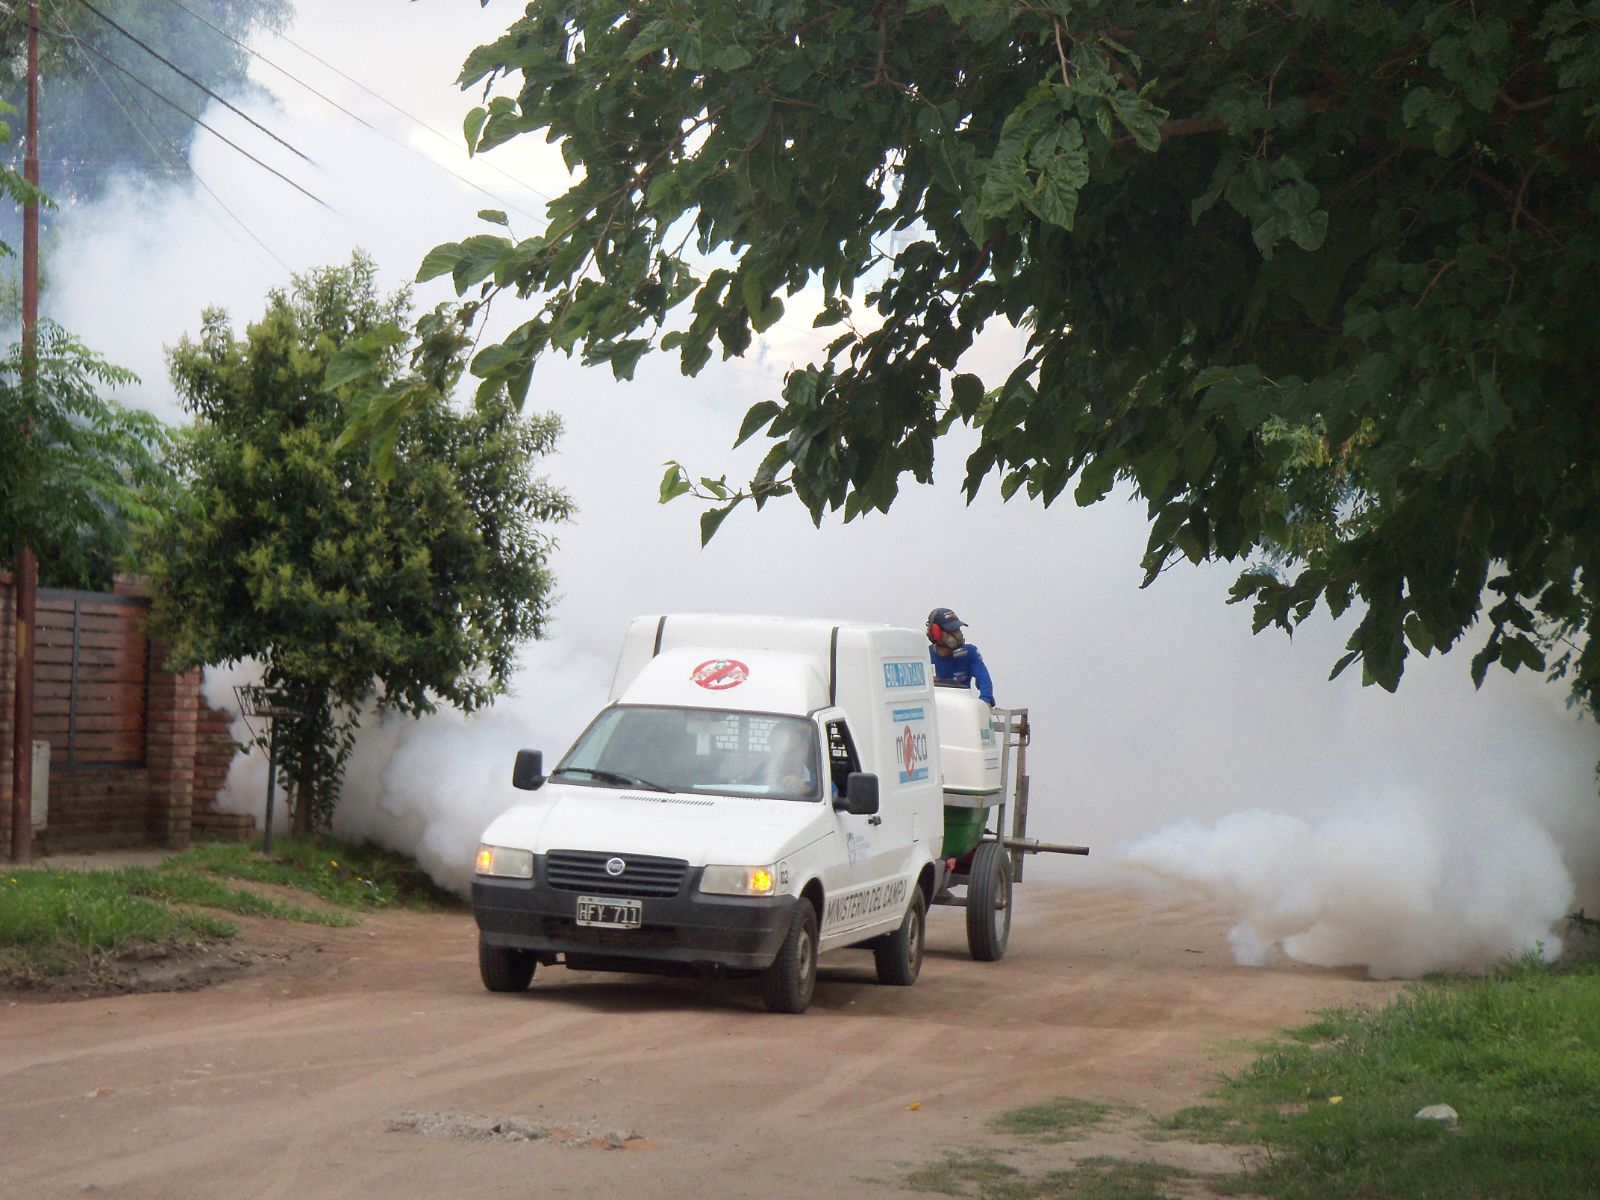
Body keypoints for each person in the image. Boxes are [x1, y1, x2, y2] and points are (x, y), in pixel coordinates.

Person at [926, 607, 995, 706]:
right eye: (952, 630)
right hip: (934, 712)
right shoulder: (925, 657)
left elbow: (983, 678)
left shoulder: (969, 653)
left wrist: (985, 701)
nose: (958, 634)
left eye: (957, 629)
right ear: (936, 632)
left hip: (961, 712)